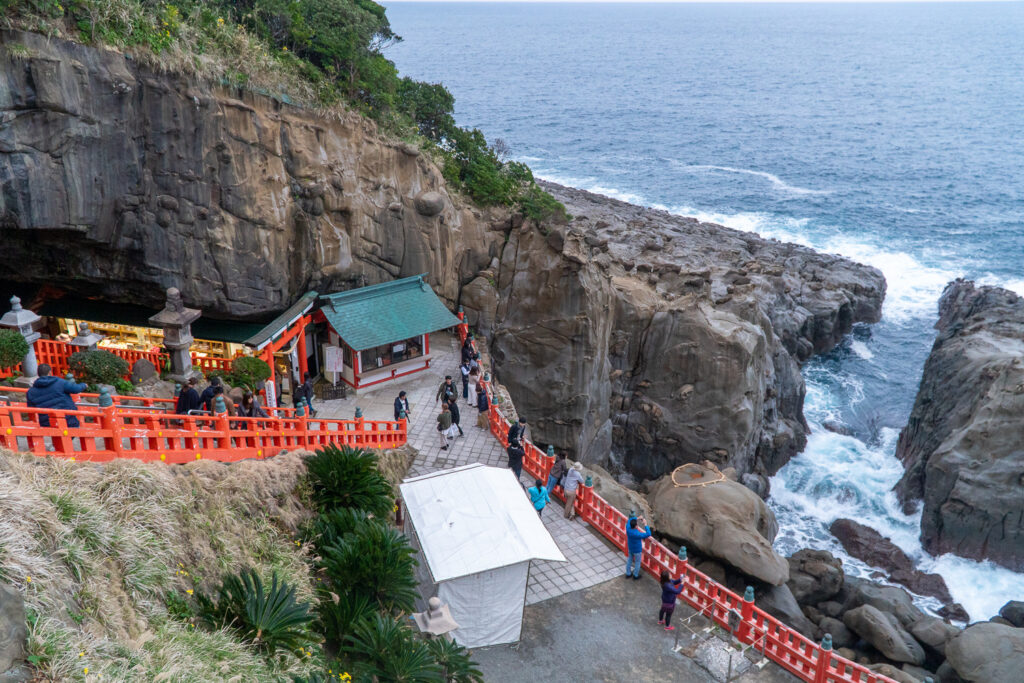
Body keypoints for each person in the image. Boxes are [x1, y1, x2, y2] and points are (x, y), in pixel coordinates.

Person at [26, 364, 87, 428]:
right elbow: (75, 389)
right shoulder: (59, 382)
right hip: (67, 419)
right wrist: (83, 385)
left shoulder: (31, 391)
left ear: (38, 374)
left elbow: (31, 408)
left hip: (46, 423)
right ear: (50, 372)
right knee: (74, 427)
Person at [625, 515, 652, 580]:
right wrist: (645, 525)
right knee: (637, 562)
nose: (638, 525)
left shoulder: (628, 528)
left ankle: (628, 573)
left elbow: (629, 520)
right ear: (635, 526)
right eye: (637, 525)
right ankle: (635, 575)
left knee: (629, 560)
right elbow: (648, 534)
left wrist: (637, 518)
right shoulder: (637, 534)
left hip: (630, 547)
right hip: (637, 550)